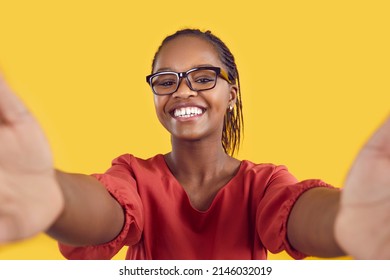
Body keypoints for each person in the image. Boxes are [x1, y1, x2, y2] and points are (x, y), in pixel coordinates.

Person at [0, 29, 389, 260]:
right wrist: (51, 193)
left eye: (203, 77)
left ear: (232, 93)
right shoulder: (134, 176)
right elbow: (105, 211)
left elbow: (299, 213)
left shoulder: (264, 184)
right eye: (166, 80)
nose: (183, 90)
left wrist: (348, 218)